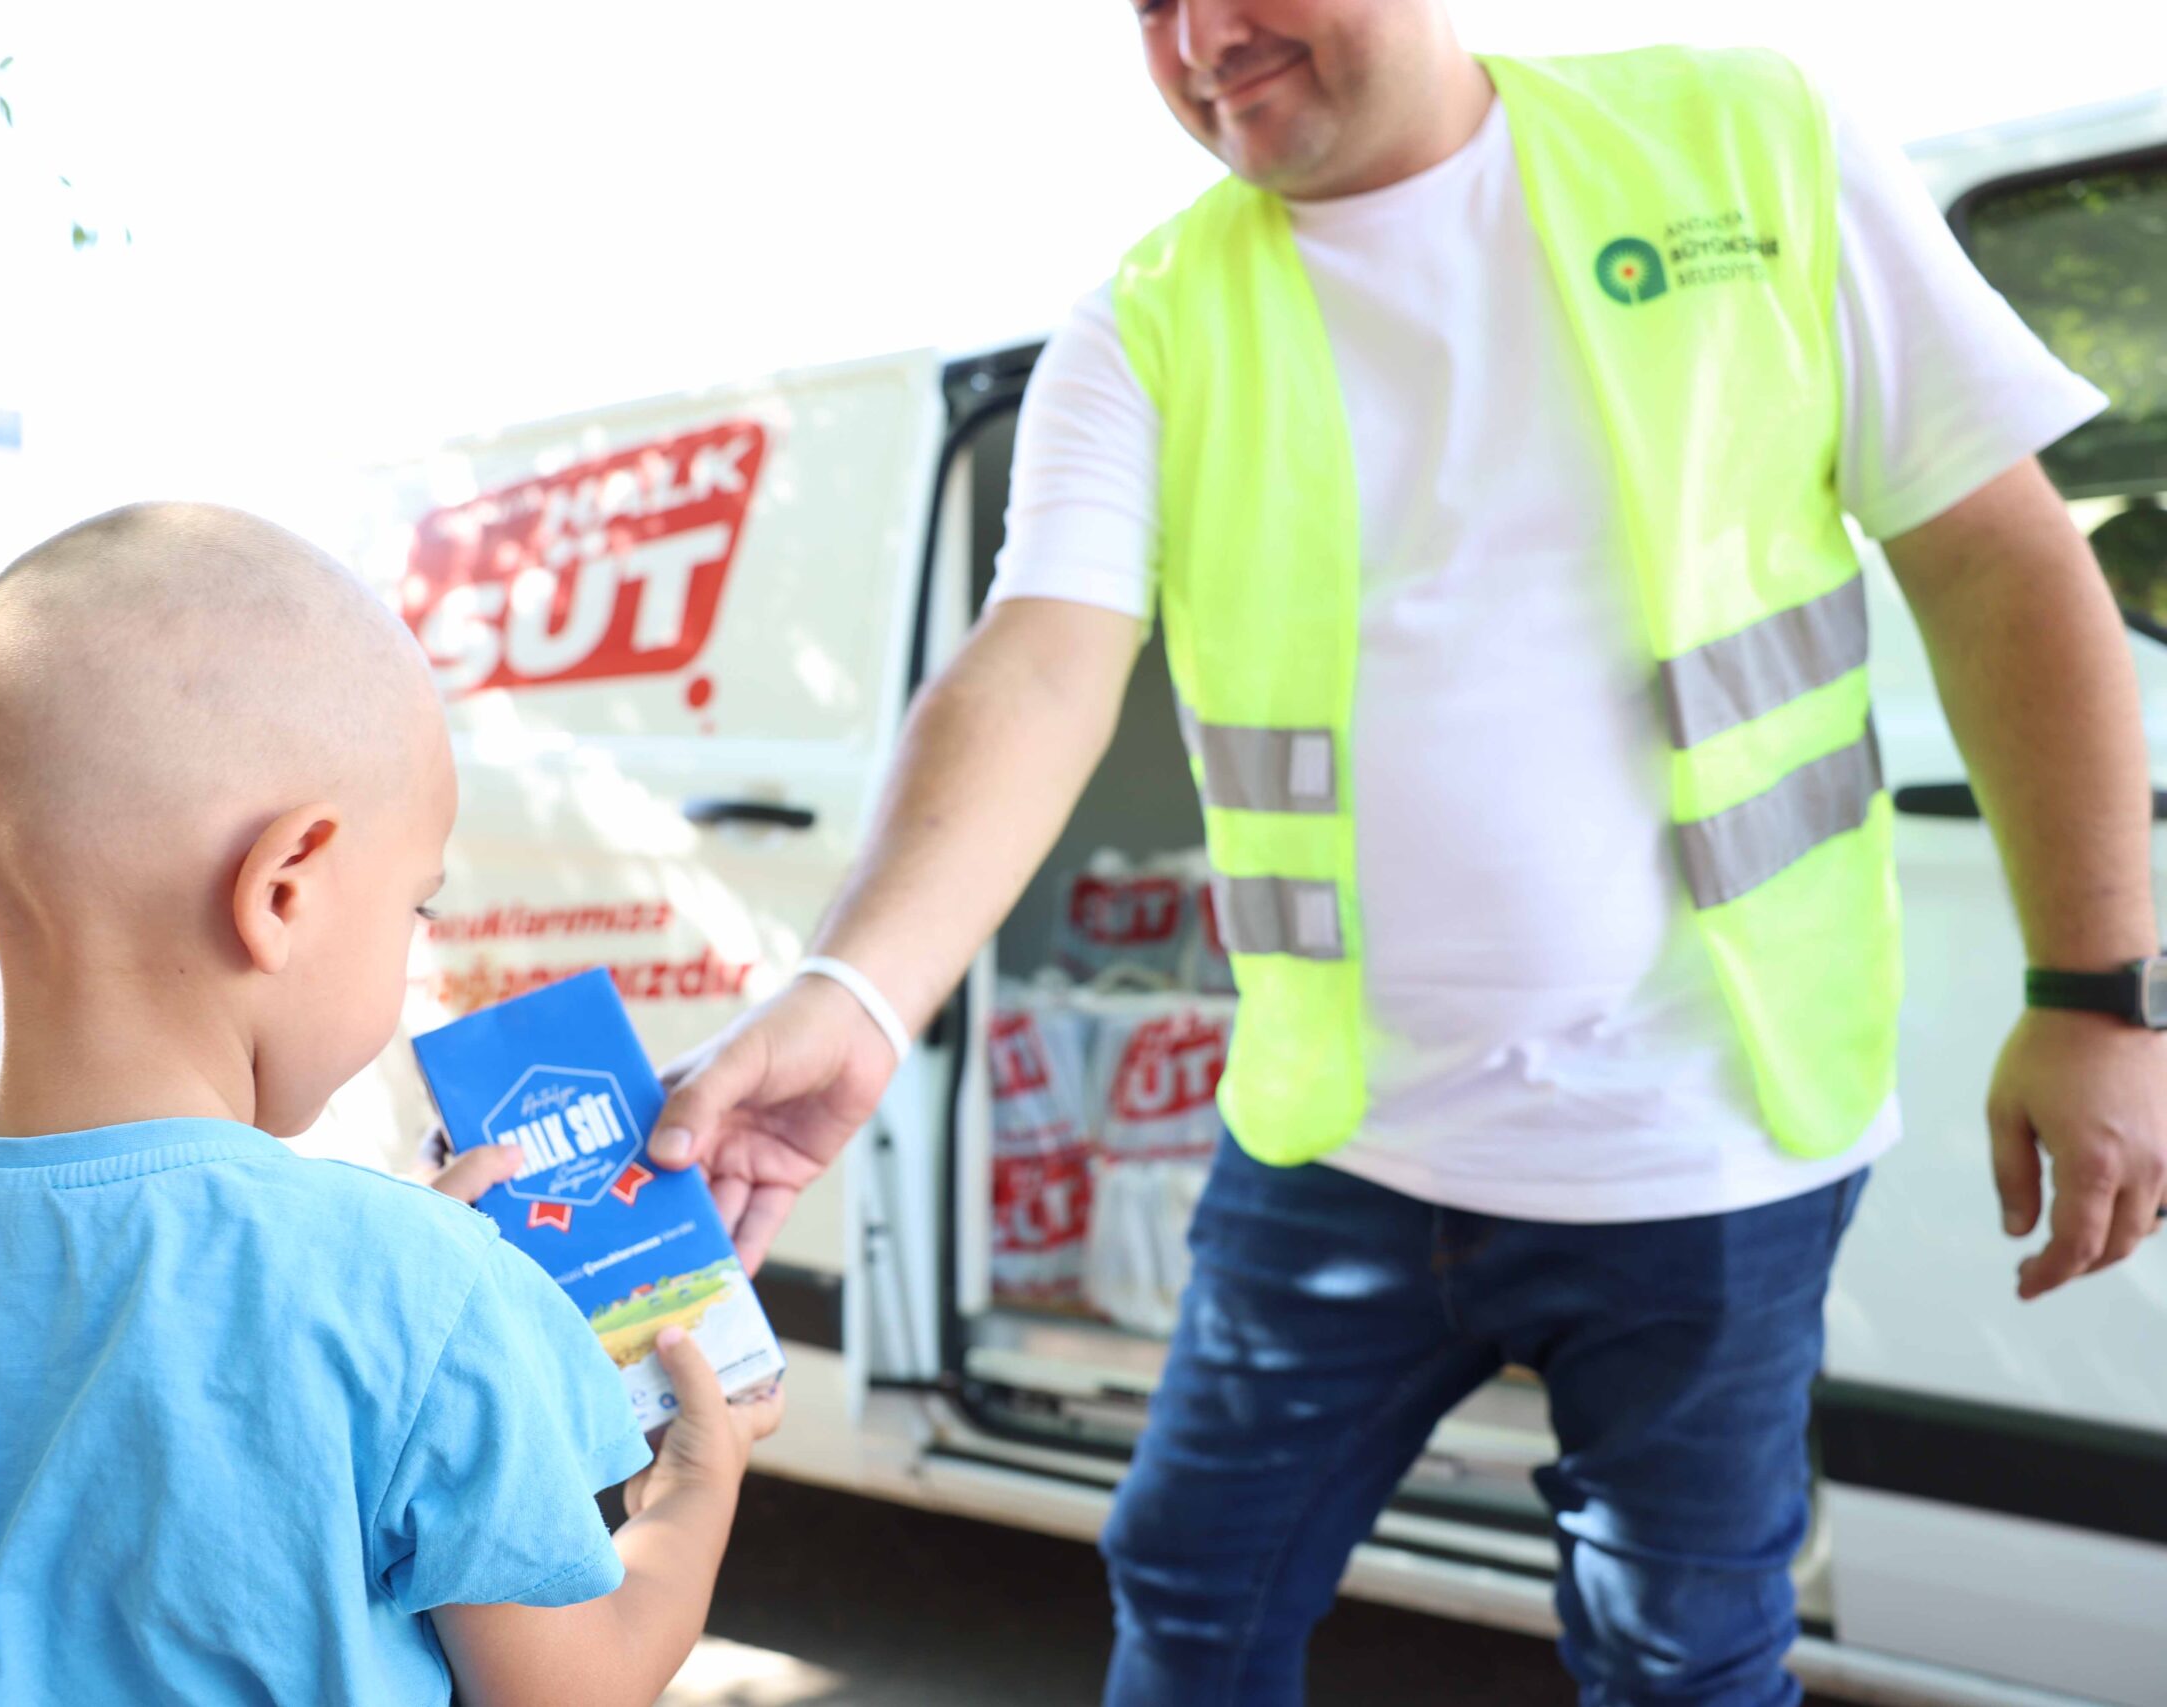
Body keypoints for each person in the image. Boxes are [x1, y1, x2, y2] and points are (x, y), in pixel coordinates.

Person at [646, 5, 2167, 1704]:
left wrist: (2100, 992)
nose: (1201, 38)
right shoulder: (1148, 324)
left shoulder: (1753, 140)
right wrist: (857, 987)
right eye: (1147, 4)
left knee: (1689, 1656)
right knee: (1195, 1583)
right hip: (1343, 1141)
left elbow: (2000, 559)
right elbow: (1039, 661)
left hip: (1717, 1142)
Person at [0, 503, 783, 1707]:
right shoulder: (422, 1288)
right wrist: (698, 1483)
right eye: (414, 906)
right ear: (286, 889)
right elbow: (576, 1688)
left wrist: (384, 1265)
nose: (416, 945)